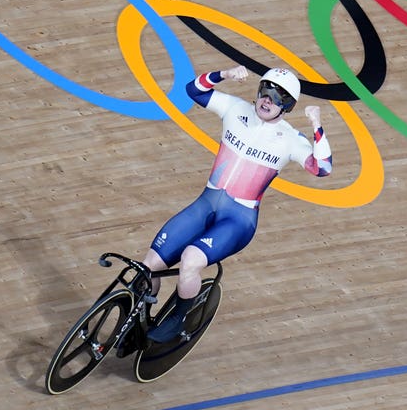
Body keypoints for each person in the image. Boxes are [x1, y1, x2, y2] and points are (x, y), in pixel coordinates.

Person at [142, 64, 332, 342]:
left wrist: (316, 125)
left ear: (287, 106)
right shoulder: (235, 108)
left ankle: (178, 317)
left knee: (190, 261)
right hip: (204, 206)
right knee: (148, 267)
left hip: (238, 221)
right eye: (266, 91)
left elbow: (323, 167)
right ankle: (138, 317)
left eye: (278, 97)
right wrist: (225, 75)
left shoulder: (291, 139)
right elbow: (193, 90)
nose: (268, 100)